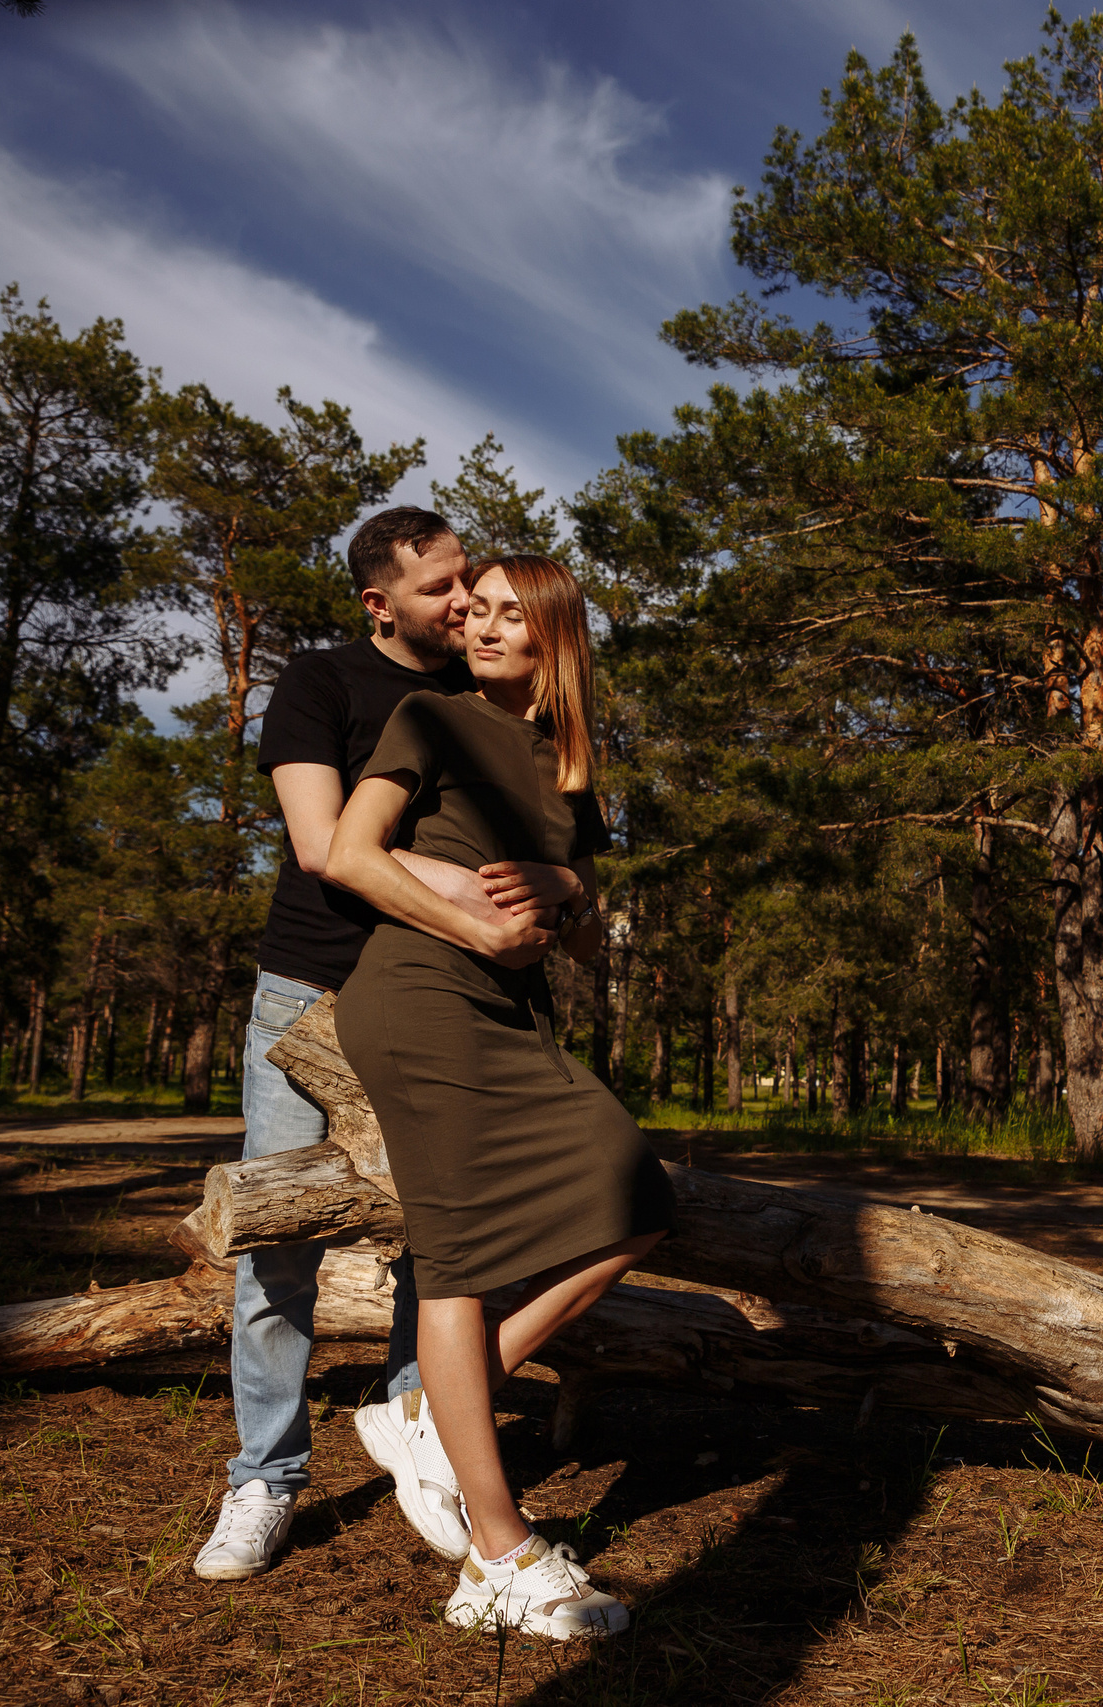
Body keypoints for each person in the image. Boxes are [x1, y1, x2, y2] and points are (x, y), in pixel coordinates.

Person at [193, 509, 590, 1582]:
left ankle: (432, 1447)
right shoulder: (323, 684)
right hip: (310, 994)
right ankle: (264, 1479)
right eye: (440, 589)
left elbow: (555, 829)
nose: (465, 602)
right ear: (379, 604)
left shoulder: (486, 696)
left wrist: (561, 883)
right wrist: (480, 895)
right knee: (278, 1244)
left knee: (442, 1243)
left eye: (470, 580)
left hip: (440, 1003)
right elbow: (325, 847)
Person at [323, 553, 671, 1640]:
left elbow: (583, 919)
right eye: (473, 610)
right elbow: (348, 853)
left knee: (637, 1195)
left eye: (508, 615)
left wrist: (565, 886)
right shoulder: (430, 717)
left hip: (511, 1013)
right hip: (420, 996)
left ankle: (430, 1409)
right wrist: (478, 928)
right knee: (459, 1261)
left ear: (552, 636)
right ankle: (499, 1554)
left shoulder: (568, 765)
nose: (479, 626)